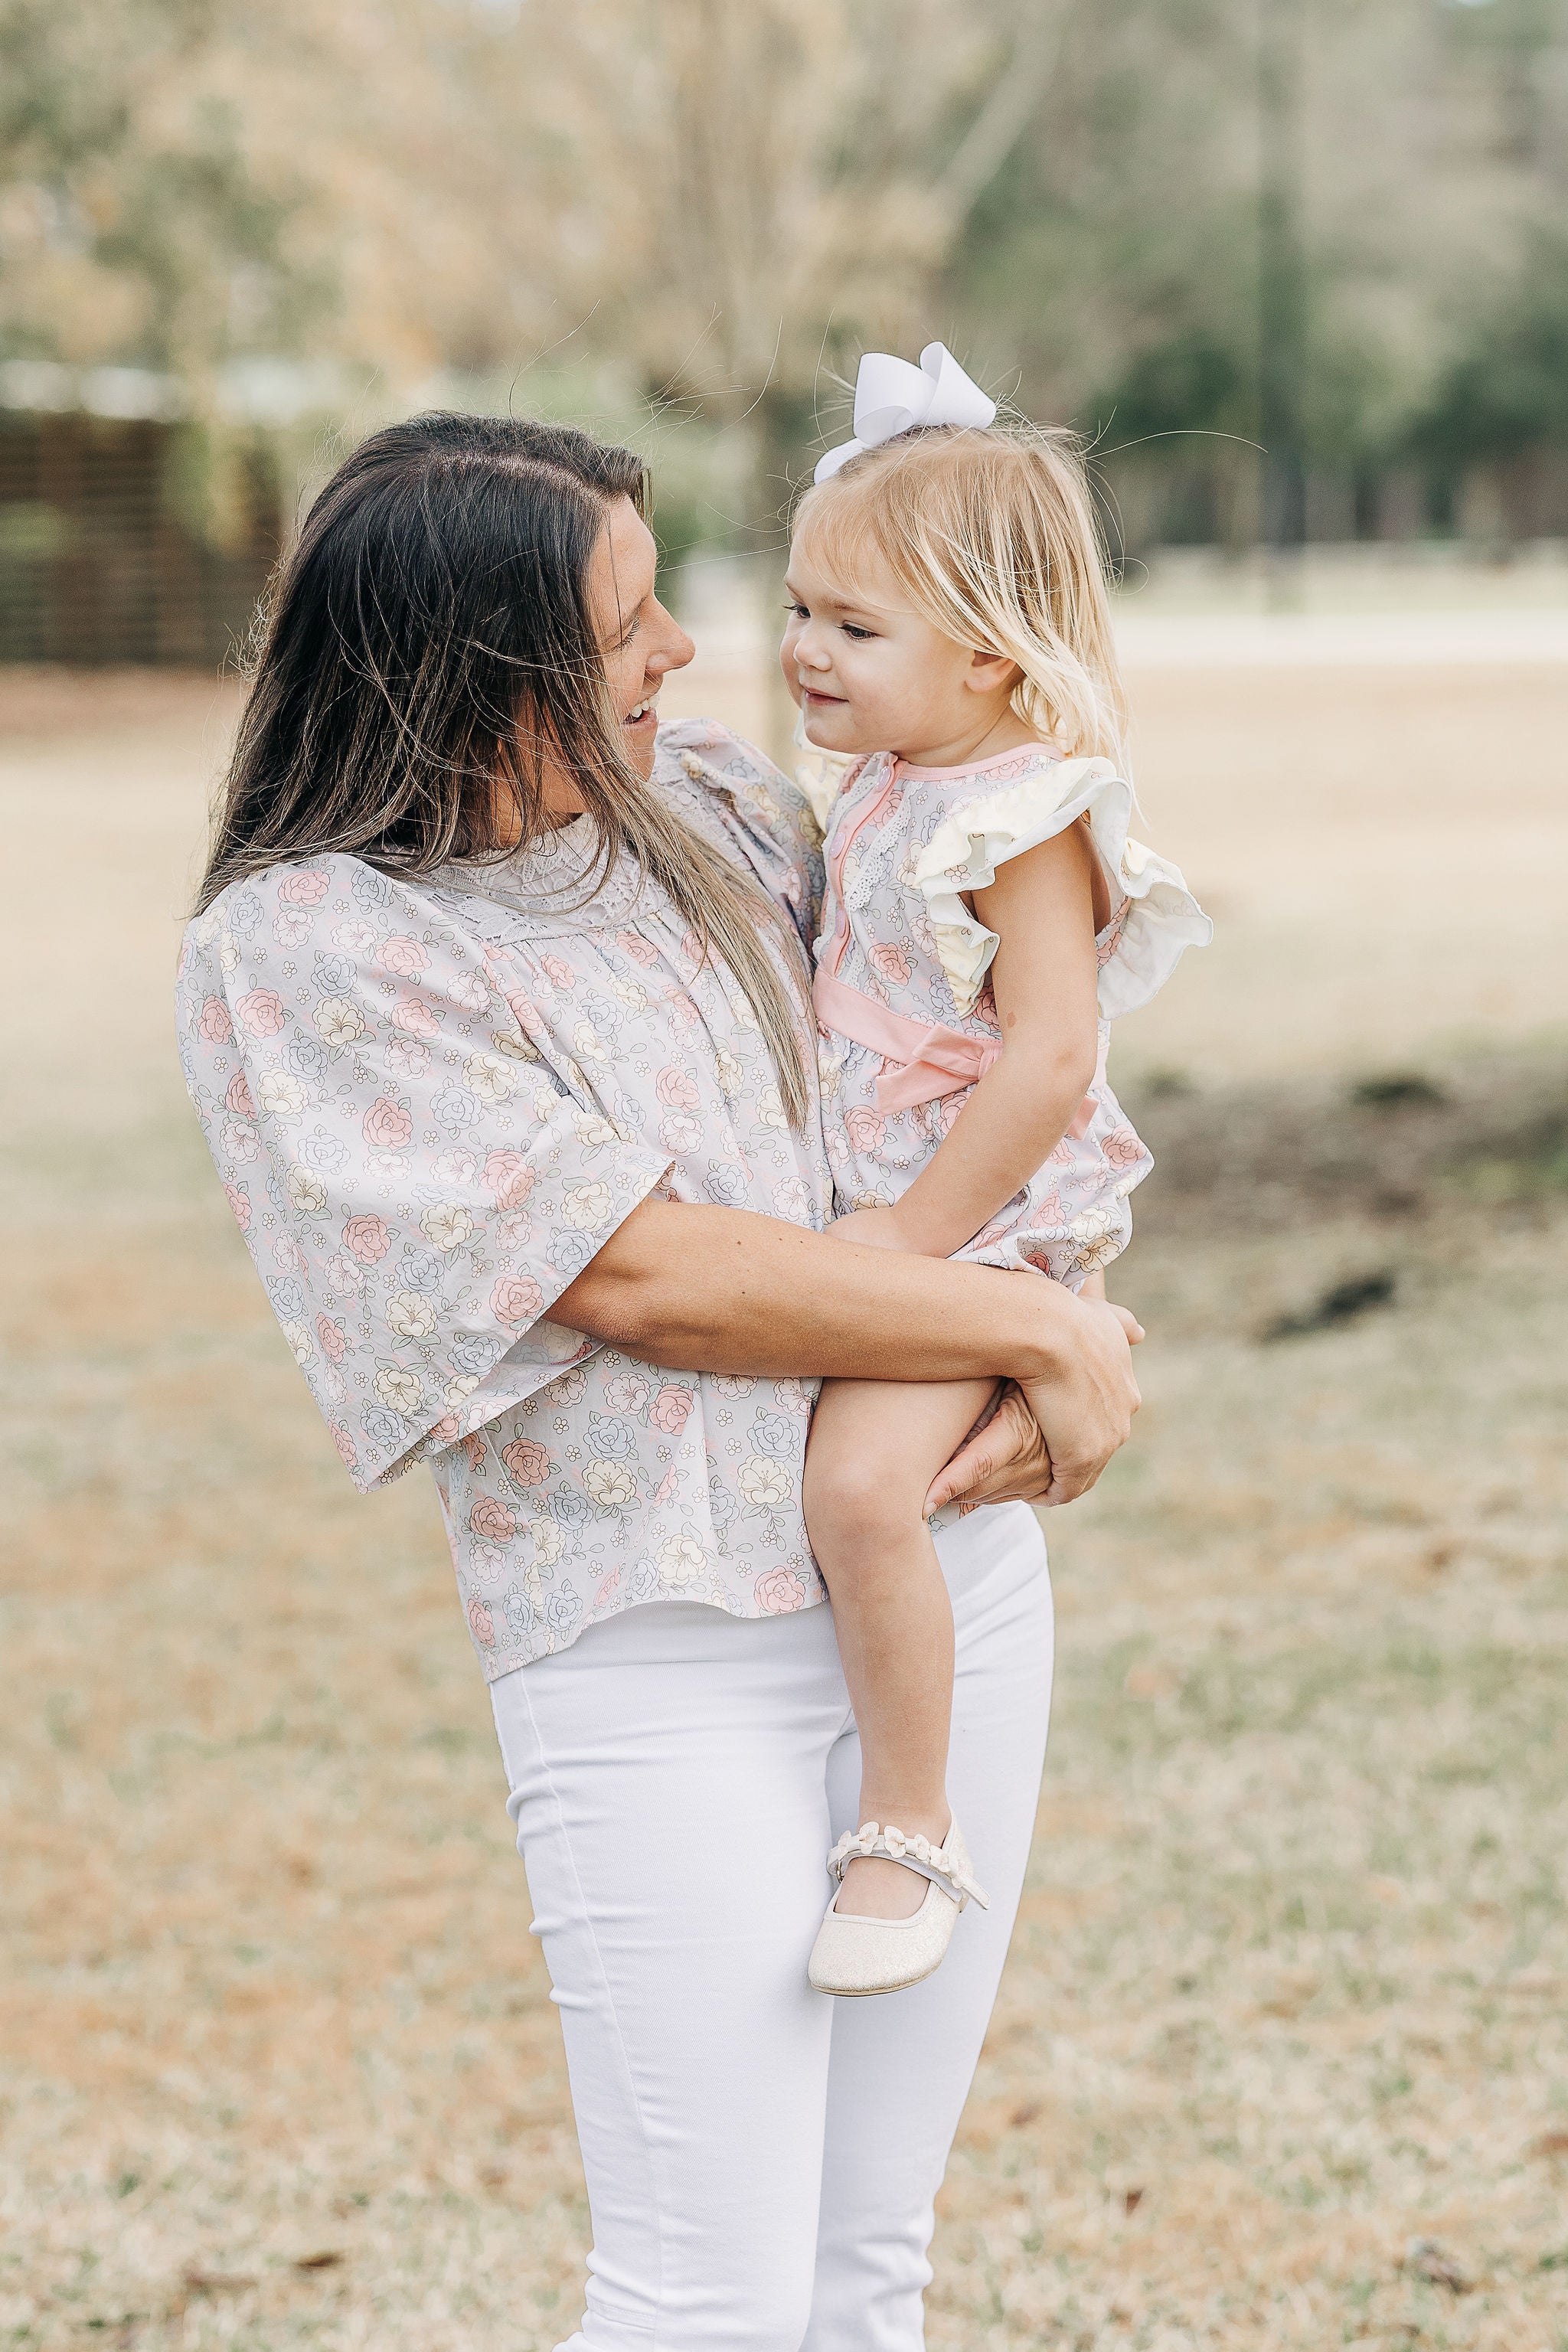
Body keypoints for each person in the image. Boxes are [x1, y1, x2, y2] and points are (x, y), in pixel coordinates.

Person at [175, 411, 1142, 2350]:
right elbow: (644, 1279)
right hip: (655, 1635)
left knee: (867, 2266)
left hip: (933, 1595)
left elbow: (955, 1057)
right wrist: (1033, 1333)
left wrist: (1064, 1281)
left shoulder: (714, 808)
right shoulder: (311, 949)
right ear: (472, 668)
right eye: (627, 624)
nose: (686, 656)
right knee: (703, 2289)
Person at [783, 349, 1211, 1998]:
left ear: (983, 649)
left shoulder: (1026, 815)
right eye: (803, 609)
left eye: (852, 627)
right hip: (893, 1215)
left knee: (857, 1489)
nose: (805, 650)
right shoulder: (890, 783)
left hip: (973, 1224)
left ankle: (907, 1830)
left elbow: (1044, 1055)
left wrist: (916, 1240)